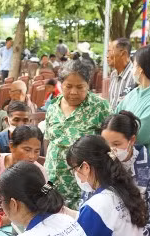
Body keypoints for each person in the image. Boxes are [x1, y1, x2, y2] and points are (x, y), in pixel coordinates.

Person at [44, 59, 112, 208]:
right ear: (60, 85)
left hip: (82, 188)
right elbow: (48, 141)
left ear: (88, 85)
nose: (73, 92)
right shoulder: (53, 107)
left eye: (80, 87)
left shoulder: (100, 107)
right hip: (51, 184)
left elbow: (109, 146)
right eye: (68, 86)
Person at [106, 38, 134, 110]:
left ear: (123, 54)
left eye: (109, 51)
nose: (107, 56)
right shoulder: (113, 74)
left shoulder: (135, 76)